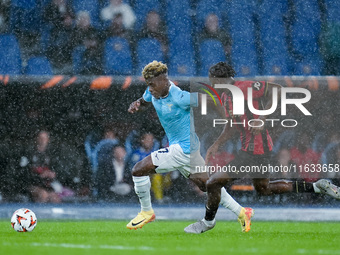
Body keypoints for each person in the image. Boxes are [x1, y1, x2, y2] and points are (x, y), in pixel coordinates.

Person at [185, 62, 340, 234]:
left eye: (213, 81)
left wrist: (262, 116)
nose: (212, 85)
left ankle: (207, 222)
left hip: (256, 149)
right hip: (252, 149)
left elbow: (278, 90)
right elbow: (231, 126)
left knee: (213, 182)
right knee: (264, 189)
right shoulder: (226, 97)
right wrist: (216, 144)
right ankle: (317, 187)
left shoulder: (245, 87)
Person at [126, 60, 250, 231]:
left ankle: (147, 212)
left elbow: (211, 100)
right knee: (207, 186)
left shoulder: (180, 97)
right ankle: (243, 212)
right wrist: (137, 104)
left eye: (153, 85)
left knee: (138, 170)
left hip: (181, 150)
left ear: (164, 81)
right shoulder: (153, 91)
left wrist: (228, 118)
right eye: (149, 85)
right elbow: (145, 100)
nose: (150, 89)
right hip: (191, 150)